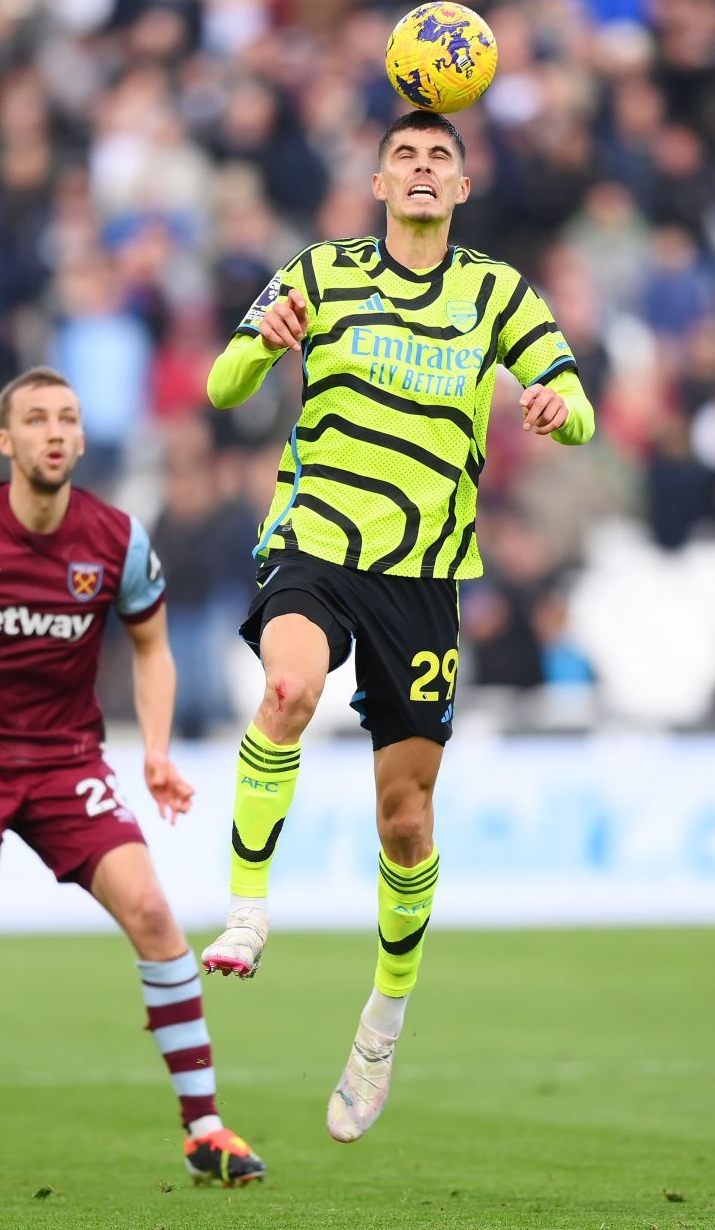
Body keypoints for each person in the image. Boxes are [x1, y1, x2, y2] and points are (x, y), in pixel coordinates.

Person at [201, 109, 595, 1142]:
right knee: (286, 689)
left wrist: (557, 406)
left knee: (406, 820)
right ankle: (247, 907)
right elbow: (222, 381)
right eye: (406, 158)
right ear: (379, 181)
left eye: (440, 160)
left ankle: (382, 1019)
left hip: (424, 576)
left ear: (462, 189)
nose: (422, 171)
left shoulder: (497, 292)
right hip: (317, 542)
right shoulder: (320, 273)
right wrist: (264, 344)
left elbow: (577, 399)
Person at [0, 367, 266, 1191]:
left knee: (154, 909)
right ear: (6, 441)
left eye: (68, 418)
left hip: (64, 760)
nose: (54, 431)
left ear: (82, 439)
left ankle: (205, 1128)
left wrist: (153, 748)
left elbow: (152, 646)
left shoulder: (117, 539)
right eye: (36, 419)